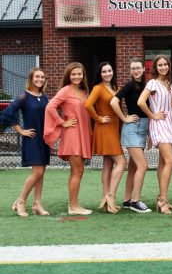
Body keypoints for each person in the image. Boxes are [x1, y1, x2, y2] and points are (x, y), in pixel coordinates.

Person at [44, 62, 93, 215]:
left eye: (79, 74)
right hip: (72, 136)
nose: (77, 76)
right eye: (74, 74)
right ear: (68, 76)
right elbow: (50, 107)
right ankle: (73, 207)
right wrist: (62, 122)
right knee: (77, 171)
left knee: (79, 171)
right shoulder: (65, 91)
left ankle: (74, 205)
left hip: (83, 135)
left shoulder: (83, 91)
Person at [1, 68, 51, 217]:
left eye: (42, 77)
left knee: (41, 173)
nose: (40, 79)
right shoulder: (24, 95)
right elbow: (9, 112)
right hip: (32, 138)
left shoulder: (44, 97)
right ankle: (20, 201)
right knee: (38, 172)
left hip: (43, 139)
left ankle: (37, 204)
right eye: (37, 77)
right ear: (31, 78)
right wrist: (20, 130)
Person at [85, 62, 127, 214]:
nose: (108, 73)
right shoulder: (98, 88)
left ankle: (104, 198)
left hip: (114, 129)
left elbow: (120, 109)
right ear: (100, 74)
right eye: (104, 71)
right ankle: (110, 196)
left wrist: (122, 125)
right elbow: (88, 105)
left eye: (110, 70)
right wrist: (98, 118)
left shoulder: (116, 88)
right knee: (122, 162)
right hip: (105, 129)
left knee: (108, 164)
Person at [110, 59, 151, 213]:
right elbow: (114, 101)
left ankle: (127, 200)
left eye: (138, 68)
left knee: (134, 168)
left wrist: (149, 134)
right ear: (130, 71)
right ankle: (136, 201)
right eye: (132, 68)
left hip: (143, 127)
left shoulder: (148, 85)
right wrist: (124, 118)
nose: (135, 71)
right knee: (143, 165)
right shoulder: (129, 86)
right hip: (132, 128)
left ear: (143, 69)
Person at [138, 55, 172, 214]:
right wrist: (153, 115)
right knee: (171, 160)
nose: (163, 67)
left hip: (170, 123)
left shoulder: (169, 83)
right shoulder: (152, 83)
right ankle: (163, 201)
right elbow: (141, 101)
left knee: (163, 163)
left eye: (165, 64)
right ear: (155, 67)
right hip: (159, 123)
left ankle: (161, 197)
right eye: (160, 65)